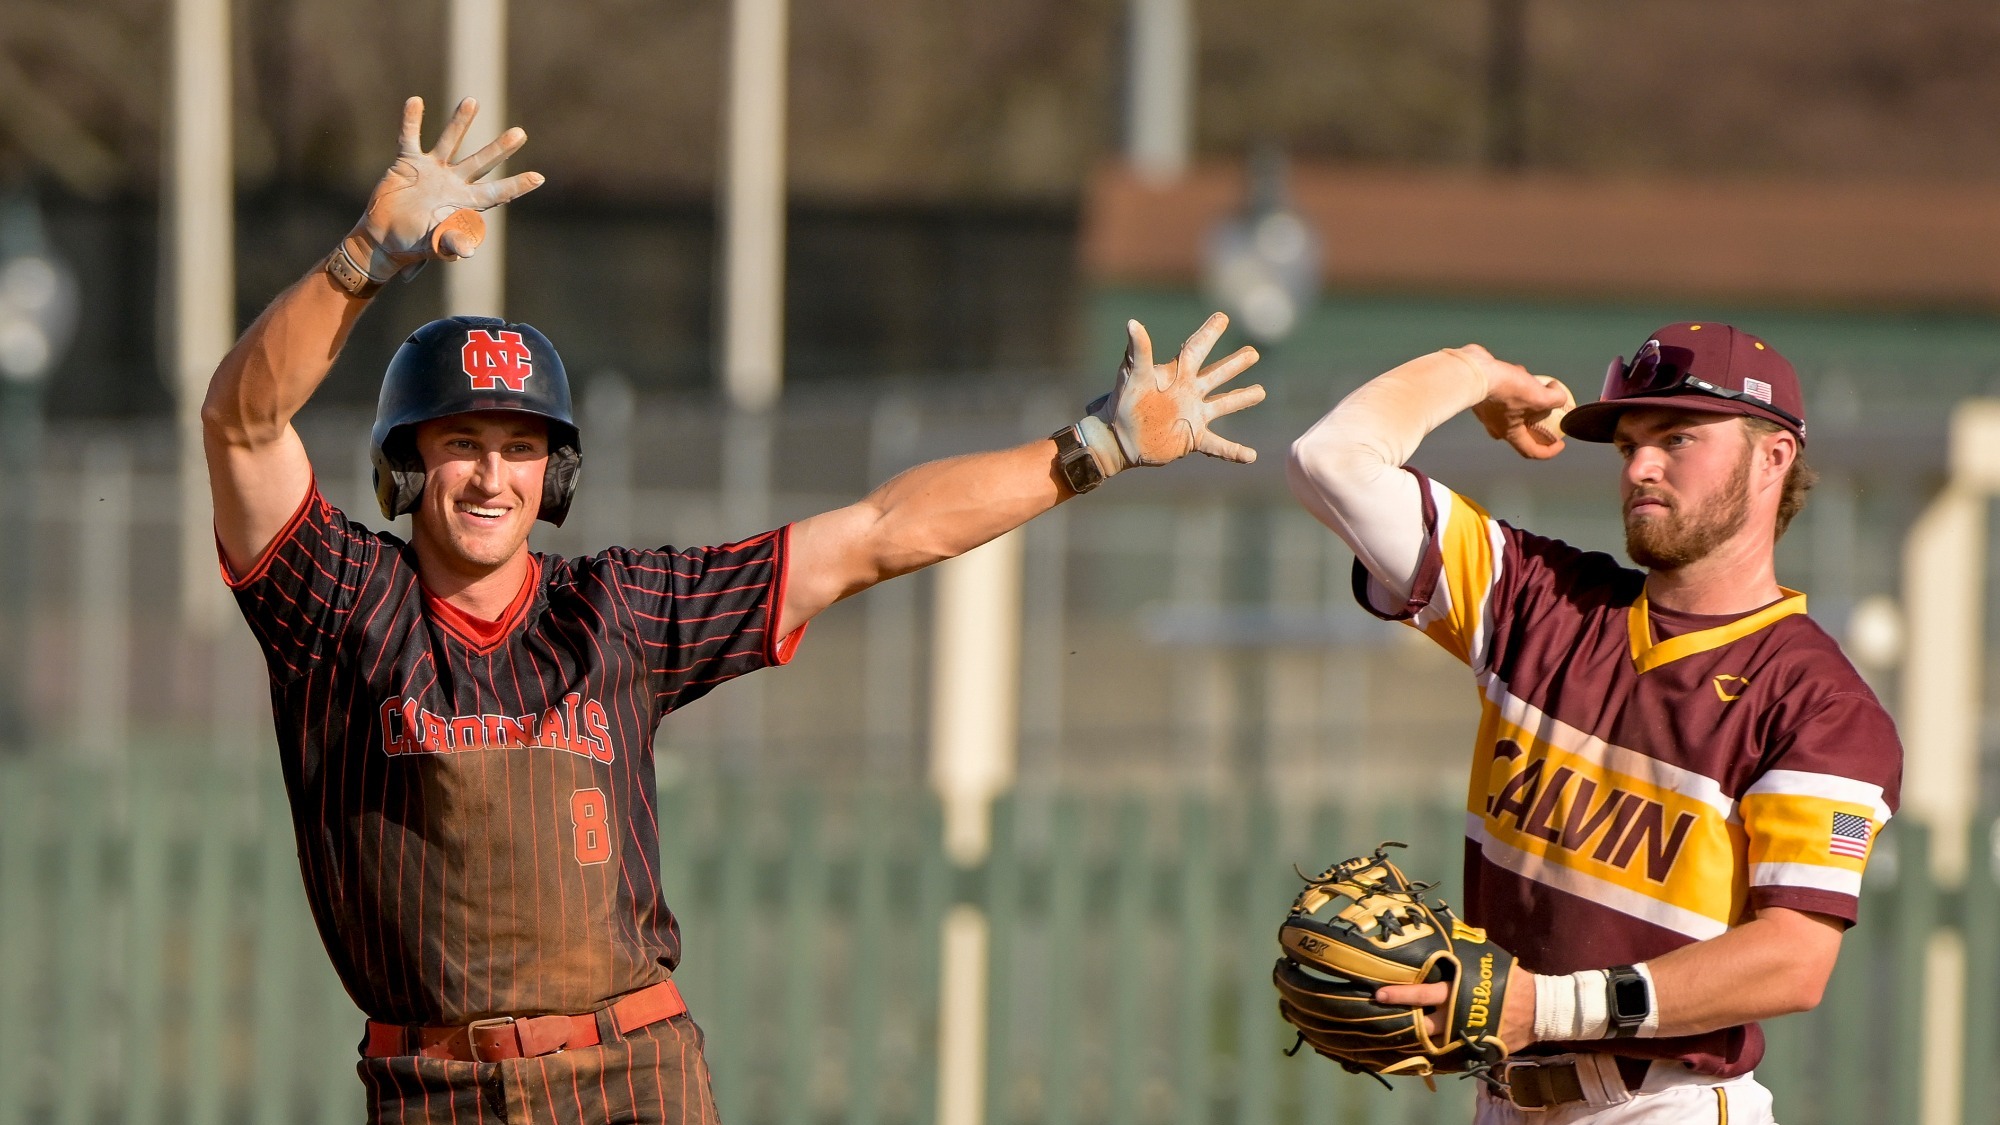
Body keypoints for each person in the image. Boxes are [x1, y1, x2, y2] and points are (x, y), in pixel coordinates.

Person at [201, 96, 1265, 1124]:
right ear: (404, 469)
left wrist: (1094, 450)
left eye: (521, 449)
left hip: (630, 1083)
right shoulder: (341, 605)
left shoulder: (617, 611)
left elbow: (875, 532)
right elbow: (243, 427)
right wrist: (362, 261)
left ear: (553, 477)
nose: (492, 477)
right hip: (434, 1092)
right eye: (460, 445)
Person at [1284, 323, 1902, 1123]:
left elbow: (1791, 961)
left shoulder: (1818, 701)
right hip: (1501, 1100)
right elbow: (1328, 462)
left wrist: (1544, 1008)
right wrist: (1473, 371)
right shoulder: (1537, 603)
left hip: (1666, 1106)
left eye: (1678, 437)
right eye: (1628, 445)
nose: (1641, 465)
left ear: (1773, 456)